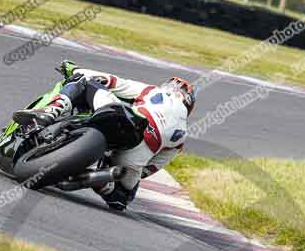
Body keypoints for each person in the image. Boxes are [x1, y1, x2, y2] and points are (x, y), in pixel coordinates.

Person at [13, 60, 195, 211]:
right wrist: (133, 171)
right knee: (122, 199)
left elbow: (111, 81)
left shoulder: (154, 92)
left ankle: (52, 111)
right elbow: (151, 168)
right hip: (131, 158)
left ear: (169, 88)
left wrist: (75, 69)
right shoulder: (182, 137)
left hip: (122, 119)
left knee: (83, 81)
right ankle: (105, 184)